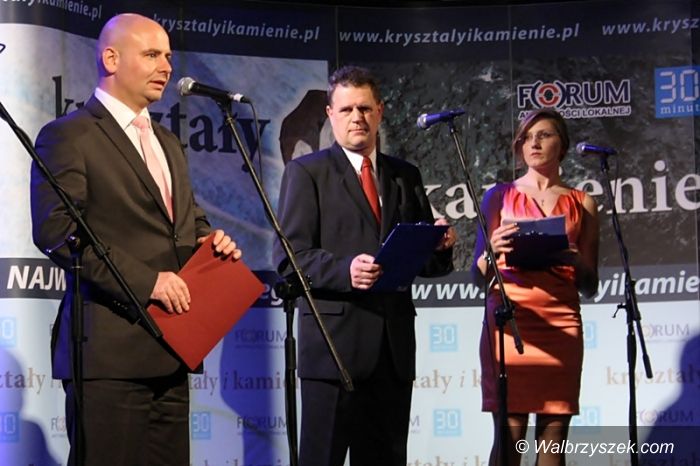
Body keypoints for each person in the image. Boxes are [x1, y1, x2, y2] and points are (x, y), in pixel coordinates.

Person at [30, 13, 242, 466]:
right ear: (111, 59)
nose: (166, 66)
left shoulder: (168, 142)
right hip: (108, 356)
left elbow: (188, 221)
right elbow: (57, 232)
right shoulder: (68, 136)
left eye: (168, 56)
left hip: (172, 349)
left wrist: (211, 243)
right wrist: (148, 283)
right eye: (151, 55)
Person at [275, 65, 456, 466]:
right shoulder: (307, 173)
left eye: (364, 108)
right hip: (333, 351)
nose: (356, 117)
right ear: (330, 114)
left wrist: (440, 246)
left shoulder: (405, 175)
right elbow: (289, 257)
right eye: (346, 110)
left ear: (380, 111)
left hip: (392, 354)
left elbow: (424, 264)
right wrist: (345, 271)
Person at [471, 108, 599, 466]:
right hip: (510, 323)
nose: (534, 143)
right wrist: (492, 251)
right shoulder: (498, 197)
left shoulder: (583, 202)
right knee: (509, 440)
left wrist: (575, 259)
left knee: (553, 444)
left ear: (563, 145)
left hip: (561, 325)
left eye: (544, 135)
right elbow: (477, 277)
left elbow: (590, 285)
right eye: (527, 137)